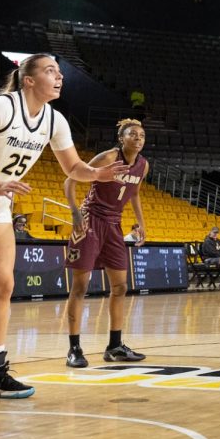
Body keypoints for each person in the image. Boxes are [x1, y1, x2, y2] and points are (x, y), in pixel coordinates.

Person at [0, 54, 128, 398]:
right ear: (29, 80)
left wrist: (96, 174)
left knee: (1, 285)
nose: (59, 77)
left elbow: (73, 167)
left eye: (60, 72)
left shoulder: (55, 120)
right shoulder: (2, 107)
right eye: (50, 71)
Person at [63, 117, 150, 368]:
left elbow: (134, 194)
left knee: (120, 287)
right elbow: (70, 180)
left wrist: (141, 223)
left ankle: (115, 346)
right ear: (121, 139)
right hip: (91, 220)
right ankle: (74, 348)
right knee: (80, 286)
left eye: (142, 135)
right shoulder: (108, 158)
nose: (138, 138)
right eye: (133, 134)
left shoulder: (143, 165)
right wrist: (75, 213)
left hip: (114, 224)